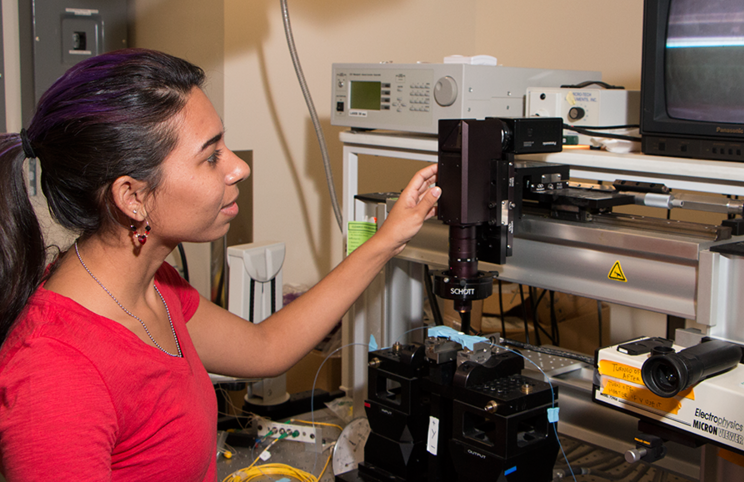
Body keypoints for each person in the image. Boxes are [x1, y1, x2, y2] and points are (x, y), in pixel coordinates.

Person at [0, 49, 441, 481]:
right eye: (211, 157)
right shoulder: (53, 372)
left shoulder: (154, 287)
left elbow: (267, 347)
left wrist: (388, 238)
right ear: (132, 197)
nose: (239, 168)